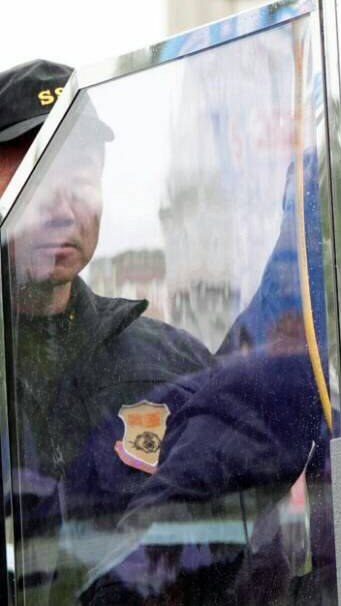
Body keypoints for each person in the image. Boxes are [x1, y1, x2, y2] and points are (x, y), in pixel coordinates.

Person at [0, 60, 212, 600]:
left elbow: (238, 558)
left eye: (79, 178)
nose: (60, 207)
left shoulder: (175, 368)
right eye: (32, 177)